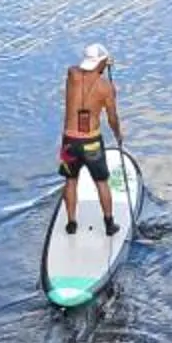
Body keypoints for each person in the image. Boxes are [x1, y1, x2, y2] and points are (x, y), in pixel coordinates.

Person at [59, 42, 123, 236]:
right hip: (91, 142)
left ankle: (71, 223)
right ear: (101, 62)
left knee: (71, 180)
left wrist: (100, 64)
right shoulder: (106, 88)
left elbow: (77, 68)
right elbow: (112, 118)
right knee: (101, 182)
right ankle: (109, 224)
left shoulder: (72, 75)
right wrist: (118, 135)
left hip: (69, 141)